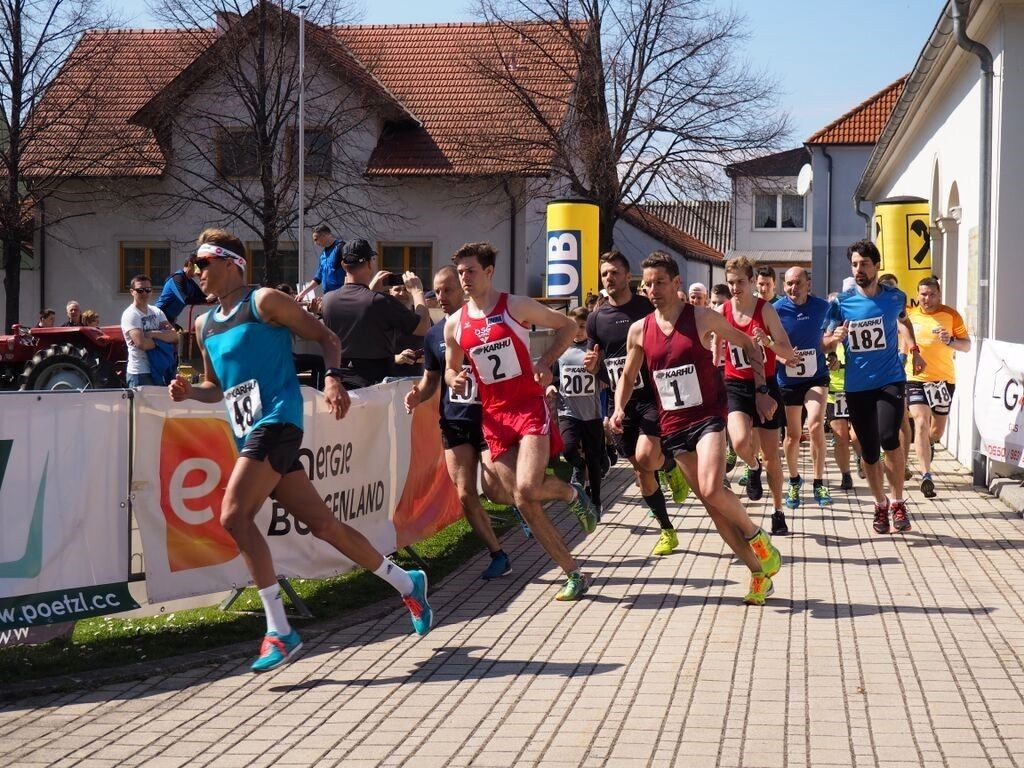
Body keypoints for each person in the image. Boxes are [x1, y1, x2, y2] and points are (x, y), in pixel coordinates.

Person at [169, 228, 432, 672]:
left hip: (278, 421)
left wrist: (331, 378)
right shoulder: (203, 323)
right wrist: (190, 392)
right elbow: (217, 386)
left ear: (232, 263)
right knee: (325, 525)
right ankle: (407, 582)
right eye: (193, 265)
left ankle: (279, 629)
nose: (196, 272)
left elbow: (328, 338)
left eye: (203, 263)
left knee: (234, 515)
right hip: (248, 430)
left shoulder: (265, 301)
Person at [611, 251, 782, 605]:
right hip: (673, 424)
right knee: (711, 505)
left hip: (708, 418)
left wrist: (761, 387)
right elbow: (628, 374)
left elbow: (749, 344)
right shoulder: (639, 330)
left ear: (677, 284)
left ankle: (756, 535)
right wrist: (617, 409)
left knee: (712, 488)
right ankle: (757, 574)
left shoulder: (702, 317)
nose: (653, 289)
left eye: (660, 282)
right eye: (648, 283)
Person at [443, 241, 598, 601]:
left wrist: (545, 363)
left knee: (528, 488)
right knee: (521, 499)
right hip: (494, 417)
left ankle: (572, 493)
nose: (464, 278)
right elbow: (451, 370)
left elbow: (565, 327)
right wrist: (456, 379)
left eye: (471, 271)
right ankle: (573, 572)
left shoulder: (514, 305)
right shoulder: (455, 323)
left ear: (489, 272)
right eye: (460, 272)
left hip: (528, 406)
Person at [405, 265, 515, 580]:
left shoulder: (486, 324)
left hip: (489, 418)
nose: (442, 297)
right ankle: (498, 554)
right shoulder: (434, 335)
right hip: (454, 422)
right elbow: (430, 381)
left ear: (464, 289)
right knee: (465, 493)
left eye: (448, 290)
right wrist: (417, 396)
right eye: (437, 292)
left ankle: (526, 502)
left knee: (496, 491)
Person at [585, 250, 689, 558]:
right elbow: (603, 365)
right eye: (604, 274)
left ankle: (668, 465)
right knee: (640, 469)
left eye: (615, 272)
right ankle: (667, 528)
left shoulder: (646, 307)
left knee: (645, 457)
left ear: (627, 276)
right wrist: (594, 367)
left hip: (653, 395)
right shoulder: (596, 318)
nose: (609, 278)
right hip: (622, 400)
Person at [824, 239, 925, 534]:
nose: (859, 269)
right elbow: (825, 340)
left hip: (890, 379)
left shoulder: (894, 298)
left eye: (864, 264)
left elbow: (904, 323)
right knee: (869, 451)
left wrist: (914, 349)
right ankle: (880, 504)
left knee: (888, 436)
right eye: (854, 265)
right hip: (857, 386)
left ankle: (897, 501)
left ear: (877, 266)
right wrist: (833, 345)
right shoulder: (841, 303)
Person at [721, 257, 795, 535]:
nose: (736, 287)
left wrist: (767, 342)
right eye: (731, 282)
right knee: (739, 442)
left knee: (772, 455)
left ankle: (778, 511)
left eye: (741, 281)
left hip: (766, 387)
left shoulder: (766, 311)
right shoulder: (723, 311)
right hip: (735, 385)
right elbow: (713, 348)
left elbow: (788, 352)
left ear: (752, 282)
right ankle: (752, 467)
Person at [320, 238, 431, 390]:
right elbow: (423, 326)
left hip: (338, 384)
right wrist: (417, 291)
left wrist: (371, 291)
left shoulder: (328, 300)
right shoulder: (379, 302)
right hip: (375, 387)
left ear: (343, 265)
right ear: (370, 264)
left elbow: (360, 314)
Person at [904, 277, 970, 498]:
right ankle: (926, 475)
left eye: (932, 294)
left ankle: (929, 444)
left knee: (936, 431)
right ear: (917, 294)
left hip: (944, 381)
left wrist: (950, 341)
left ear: (939, 294)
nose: (927, 298)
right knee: (920, 422)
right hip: (915, 378)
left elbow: (967, 345)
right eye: (923, 294)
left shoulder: (951, 315)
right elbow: (901, 341)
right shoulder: (910, 315)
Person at [775, 267, 833, 514]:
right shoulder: (776, 310)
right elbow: (767, 345)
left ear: (808, 284)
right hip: (788, 380)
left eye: (798, 283)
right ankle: (795, 480)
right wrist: (781, 359)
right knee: (792, 434)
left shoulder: (822, 307)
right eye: (788, 283)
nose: (792, 288)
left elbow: (829, 337)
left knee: (816, 425)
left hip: (816, 377)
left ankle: (819, 482)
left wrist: (832, 354)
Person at [550, 307, 605, 517]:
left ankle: (596, 500)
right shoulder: (561, 350)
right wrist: (551, 386)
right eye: (574, 327)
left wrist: (600, 375)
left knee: (594, 458)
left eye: (582, 326)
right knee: (568, 449)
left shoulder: (595, 350)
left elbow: (606, 374)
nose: (579, 331)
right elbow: (555, 375)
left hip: (591, 413)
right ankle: (579, 467)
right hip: (568, 411)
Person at [120, 275, 179, 387]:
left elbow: (174, 336)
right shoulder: (131, 314)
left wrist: (152, 334)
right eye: (140, 290)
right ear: (132, 292)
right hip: (140, 373)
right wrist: (163, 339)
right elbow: (142, 344)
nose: (144, 293)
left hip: (160, 369)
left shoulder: (157, 312)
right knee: (143, 406)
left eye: (148, 290)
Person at [295, 223, 346, 302]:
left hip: (340, 296)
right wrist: (303, 293)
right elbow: (318, 278)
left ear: (324, 235)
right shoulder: (323, 255)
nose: (315, 243)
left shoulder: (341, 248)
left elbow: (350, 272)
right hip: (327, 296)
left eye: (316, 239)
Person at [155, 256, 209, 329]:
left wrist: (218, 298)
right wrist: (207, 300)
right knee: (179, 337)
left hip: (169, 319)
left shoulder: (191, 283)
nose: (198, 272)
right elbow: (185, 300)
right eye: (197, 268)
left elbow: (204, 298)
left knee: (182, 336)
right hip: (158, 317)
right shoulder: (177, 278)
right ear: (190, 264)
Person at [389, 281, 428, 378]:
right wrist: (396, 358)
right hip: (390, 381)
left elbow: (433, 342)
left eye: (406, 289)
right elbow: (373, 352)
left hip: (417, 379)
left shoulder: (423, 317)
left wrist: (428, 355)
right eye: (397, 289)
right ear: (390, 292)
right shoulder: (383, 318)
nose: (402, 293)